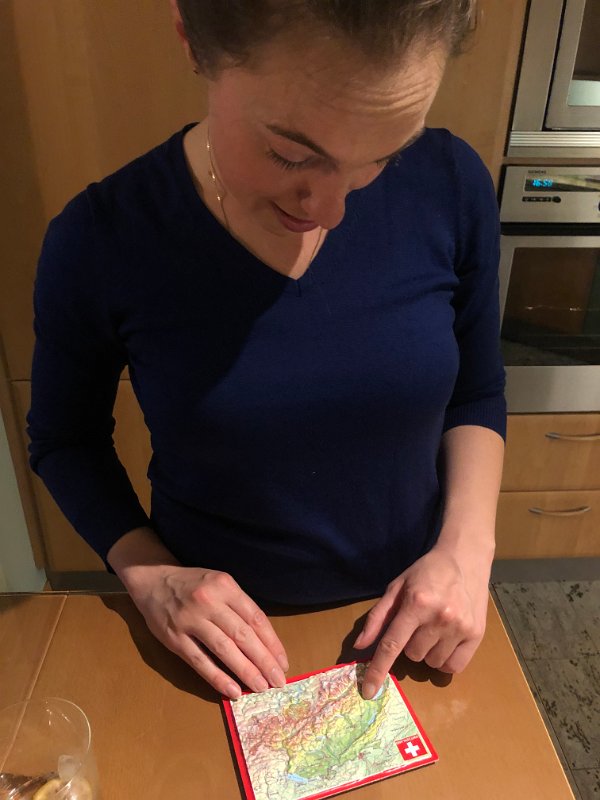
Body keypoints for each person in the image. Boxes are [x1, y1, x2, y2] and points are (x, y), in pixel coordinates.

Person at [28, 0, 506, 703]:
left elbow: (476, 390)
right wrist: (149, 573)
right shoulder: (101, 238)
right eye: (291, 154)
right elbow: (65, 439)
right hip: (216, 646)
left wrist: (467, 550)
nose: (331, 210)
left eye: (383, 156)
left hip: (420, 617)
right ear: (192, 39)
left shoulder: (451, 181)